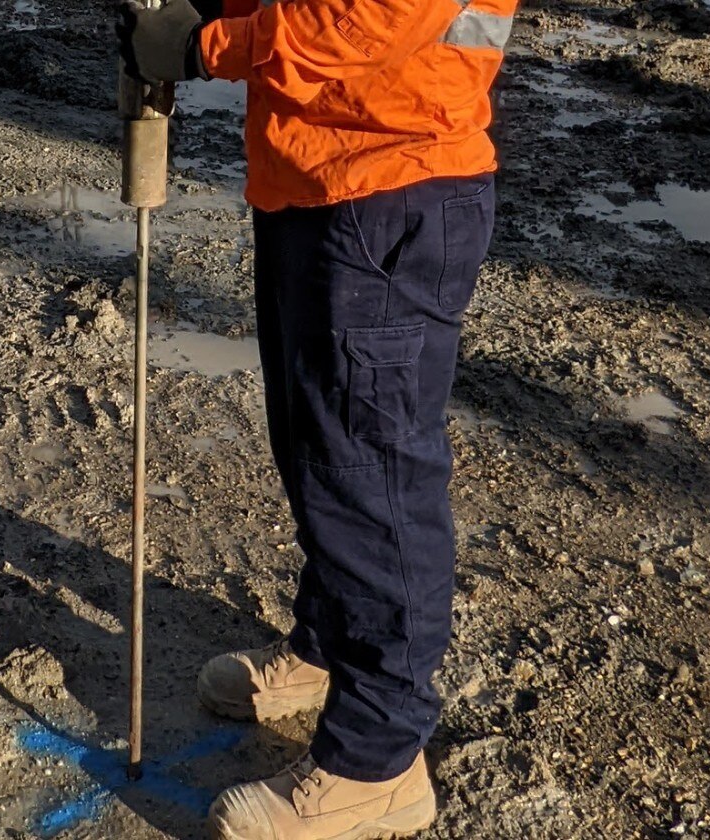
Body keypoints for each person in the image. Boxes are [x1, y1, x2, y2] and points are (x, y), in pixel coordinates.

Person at [116, 0, 514, 836]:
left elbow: (372, 17)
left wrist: (200, 47)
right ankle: (334, 647)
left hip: (395, 180)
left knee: (374, 476)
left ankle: (379, 761)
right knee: (318, 451)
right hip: (323, 174)